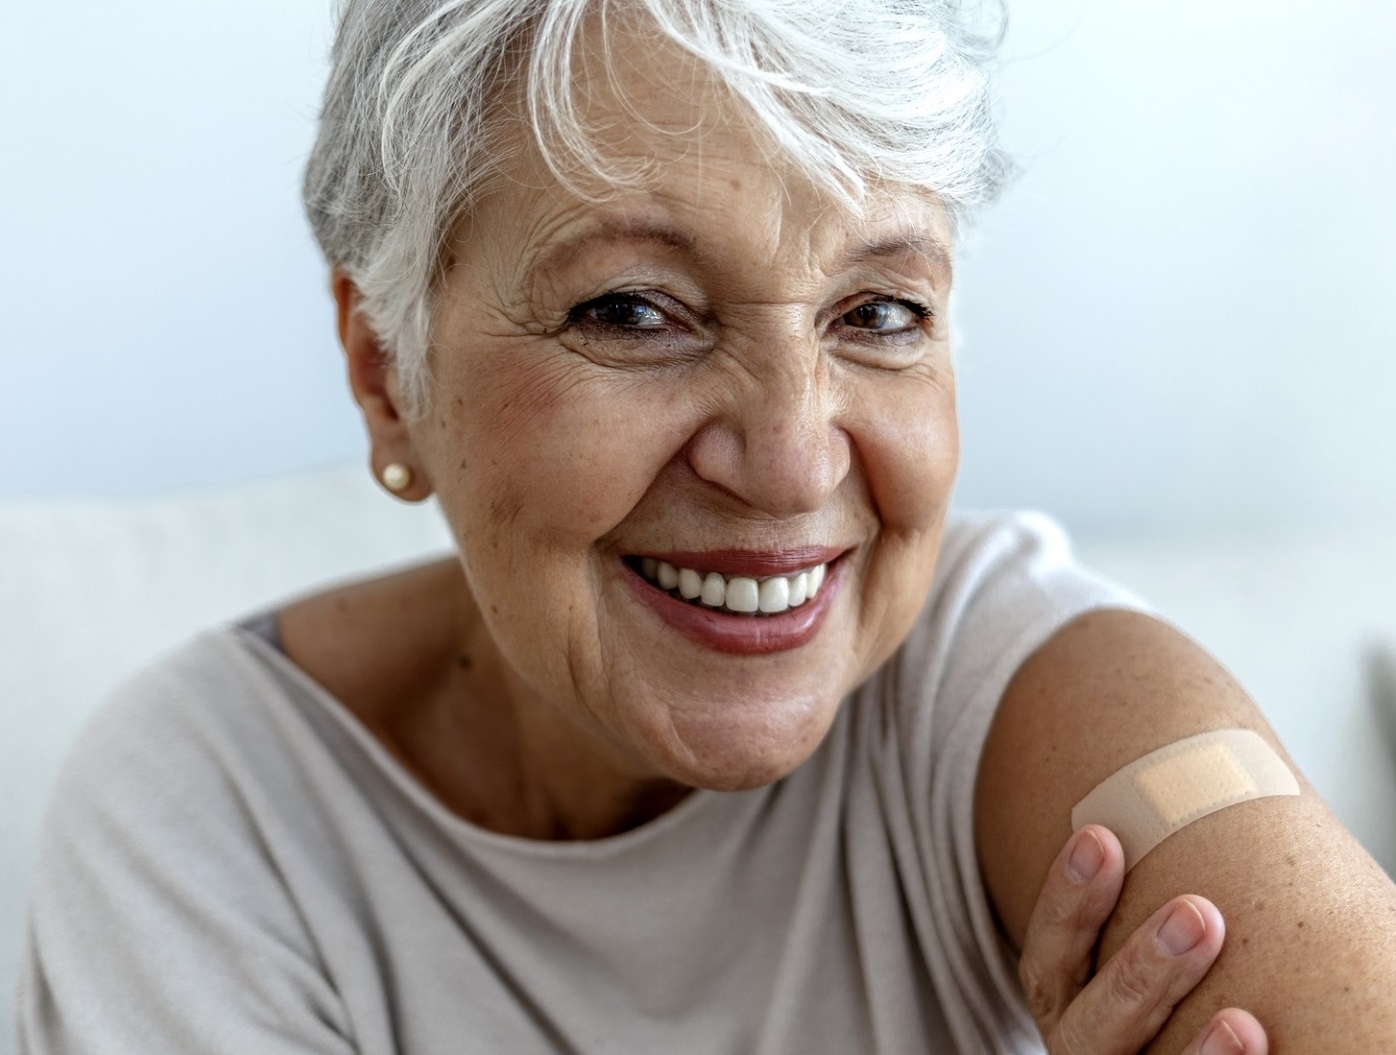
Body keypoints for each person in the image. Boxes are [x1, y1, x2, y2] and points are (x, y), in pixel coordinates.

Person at [17, 0, 1396, 1052]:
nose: (794, 460)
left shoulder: (1020, 680)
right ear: (389, 371)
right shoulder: (207, 813)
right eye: (631, 309)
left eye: (878, 313)